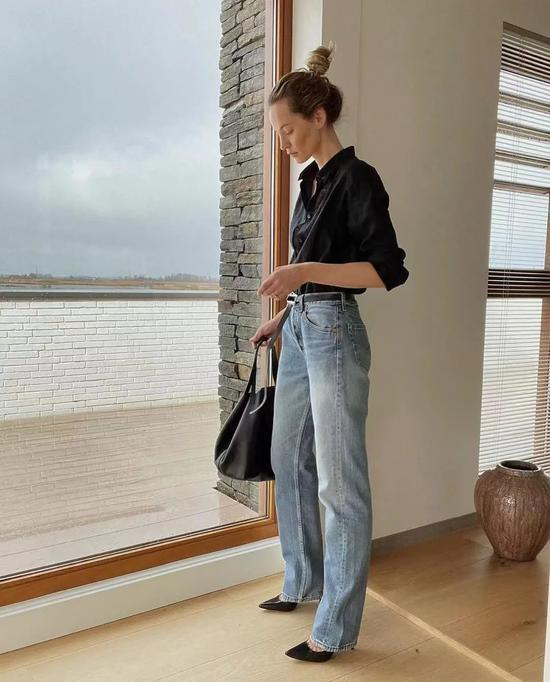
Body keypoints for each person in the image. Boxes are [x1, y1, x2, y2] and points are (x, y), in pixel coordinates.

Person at [249, 42, 409, 663]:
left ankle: (335, 628)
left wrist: (303, 272)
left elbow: (386, 271)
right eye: (277, 133)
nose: (283, 142)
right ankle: (303, 581)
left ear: (318, 117)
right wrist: (281, 314)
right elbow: (309, 273)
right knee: (287, 458)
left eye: (287, 130)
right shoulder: (310, 183)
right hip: (301, 326)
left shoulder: (357, 178)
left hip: (336, 332)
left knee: (341, 485)